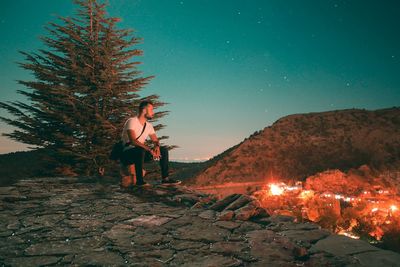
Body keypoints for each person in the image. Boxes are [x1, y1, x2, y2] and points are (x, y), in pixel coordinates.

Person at [120, 100, 181, 187]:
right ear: (144, 110)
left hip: (141, 153)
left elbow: (155, 140)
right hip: (127, 154)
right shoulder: (132, 121)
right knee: (140, 150)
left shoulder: (149, 126)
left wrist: (156, 147)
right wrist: (149, 149)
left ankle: (165, 179)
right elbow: (133, 141)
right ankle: (140, 181)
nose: (153, 112)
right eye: (151, 109)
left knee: (163, 150)